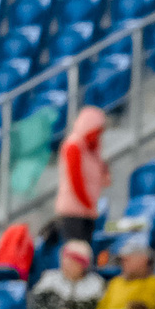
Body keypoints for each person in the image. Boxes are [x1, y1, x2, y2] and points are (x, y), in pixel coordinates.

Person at [53, 108, 110, 252]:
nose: (98, 135)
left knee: (87, 252)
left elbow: (104, 177)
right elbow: (75, 181)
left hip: (88, 210)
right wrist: (87, 204)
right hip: (74, 211)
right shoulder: (74, 146)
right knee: (76, 252)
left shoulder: (92, 149)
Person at [29, 243, 105, 309]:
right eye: (65, 259)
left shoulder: (96, 284)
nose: (67, 263)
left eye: (73, 262)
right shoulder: (49, 279)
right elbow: (34, 308)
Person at [96, 238, 155, 309]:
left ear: (143, 260)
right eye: (122, 260)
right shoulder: (115, 282)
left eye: (127, 260)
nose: (123, 263)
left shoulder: (153, 283)